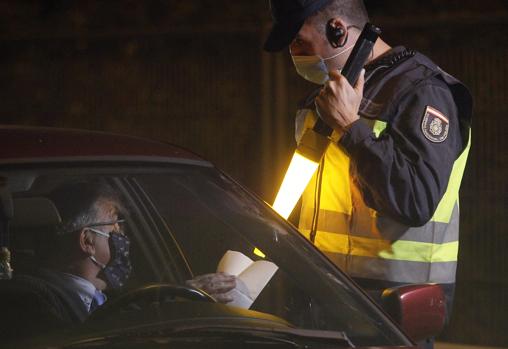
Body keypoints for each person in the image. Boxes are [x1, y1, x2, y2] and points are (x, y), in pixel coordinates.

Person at [263, 1, 472, 347]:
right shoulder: (325, 98)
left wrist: (350, 127)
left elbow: (415, 201)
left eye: (300, 41)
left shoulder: (422, 92)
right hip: (322, 309)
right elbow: (294, 200)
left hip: (389, 319)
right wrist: (247, 270)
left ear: (338, 29)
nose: (294, 53)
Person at [1, 181, 236, 337]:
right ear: (87, 241)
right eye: (115, 227)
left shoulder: (115, 297)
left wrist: (173, 297)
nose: (123, 238)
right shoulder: (28, 299)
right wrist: (169, 304)